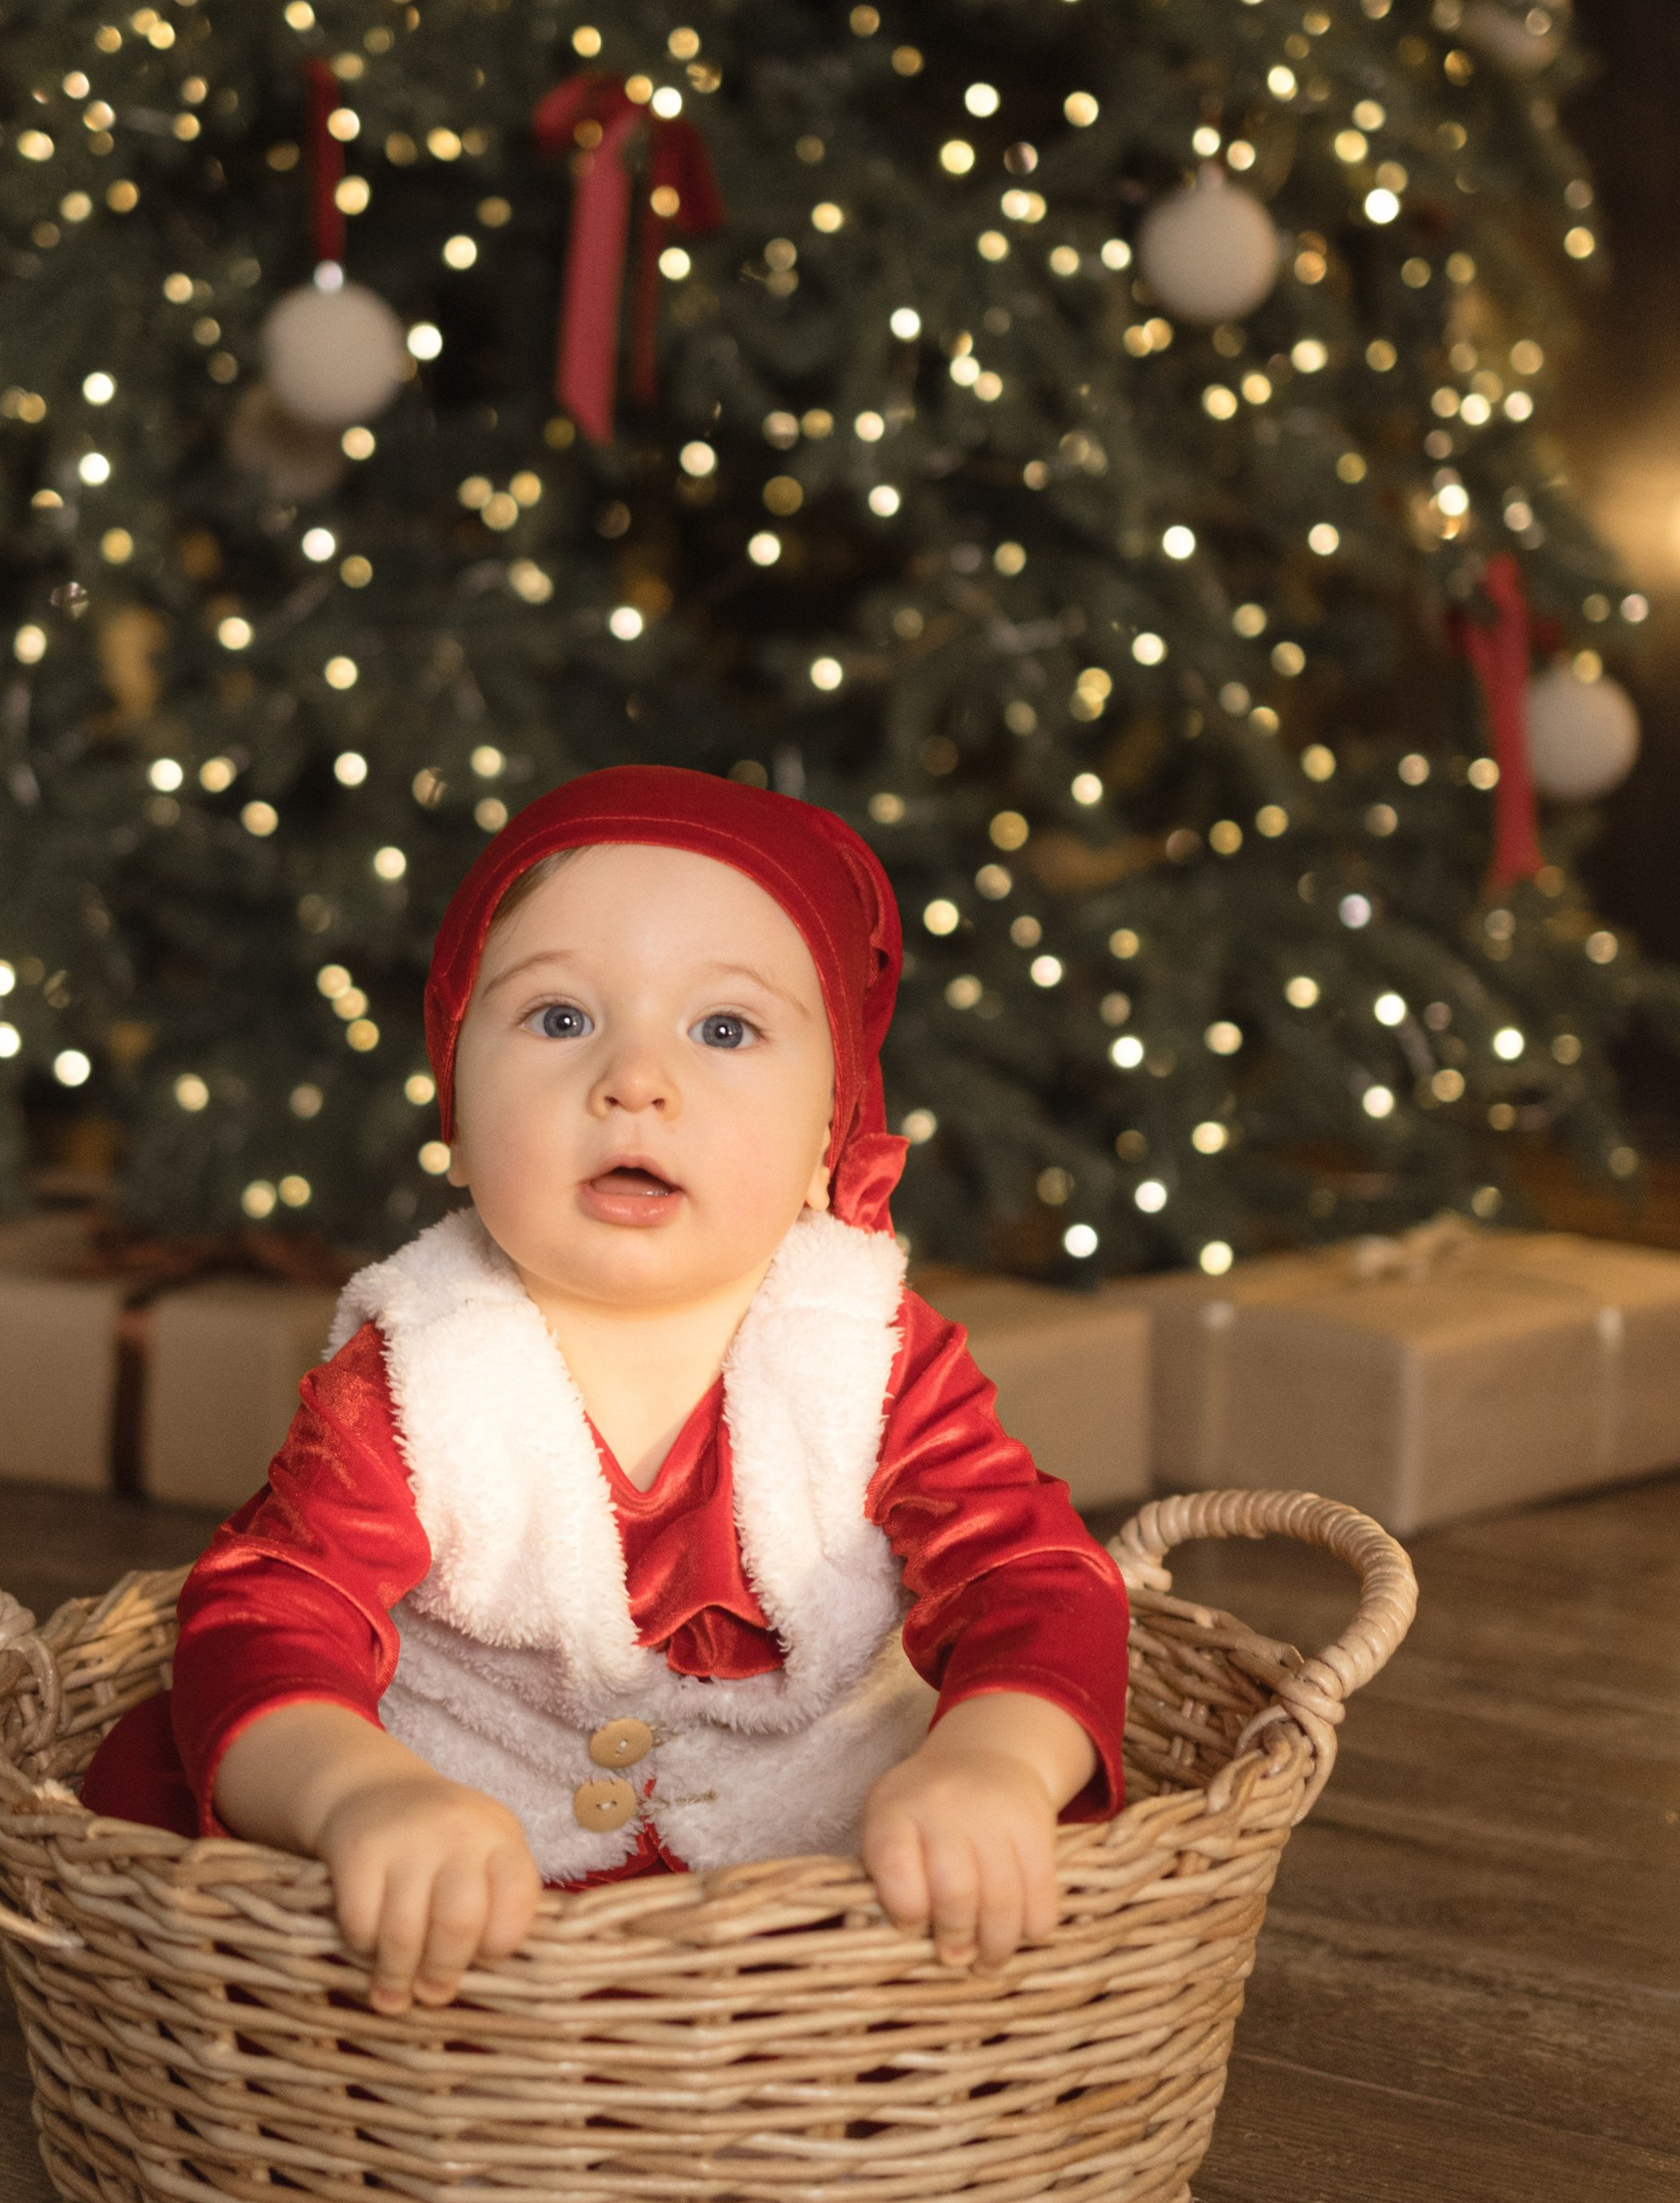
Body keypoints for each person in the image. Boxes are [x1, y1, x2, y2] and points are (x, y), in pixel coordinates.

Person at [81, 766, 1129, 2013]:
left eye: (724, 1029)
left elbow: (1031, 1578)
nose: (635, 1078)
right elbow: (271, 1610)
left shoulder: (866, 1353)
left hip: (815, 1853)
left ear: (827, 1141)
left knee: (1000, 1833)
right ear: (455, 1115)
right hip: (477, 1845)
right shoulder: (421, 1366)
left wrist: (990, 1766)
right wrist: (360, 1792)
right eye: (561, 1017)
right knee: (190, 1771)